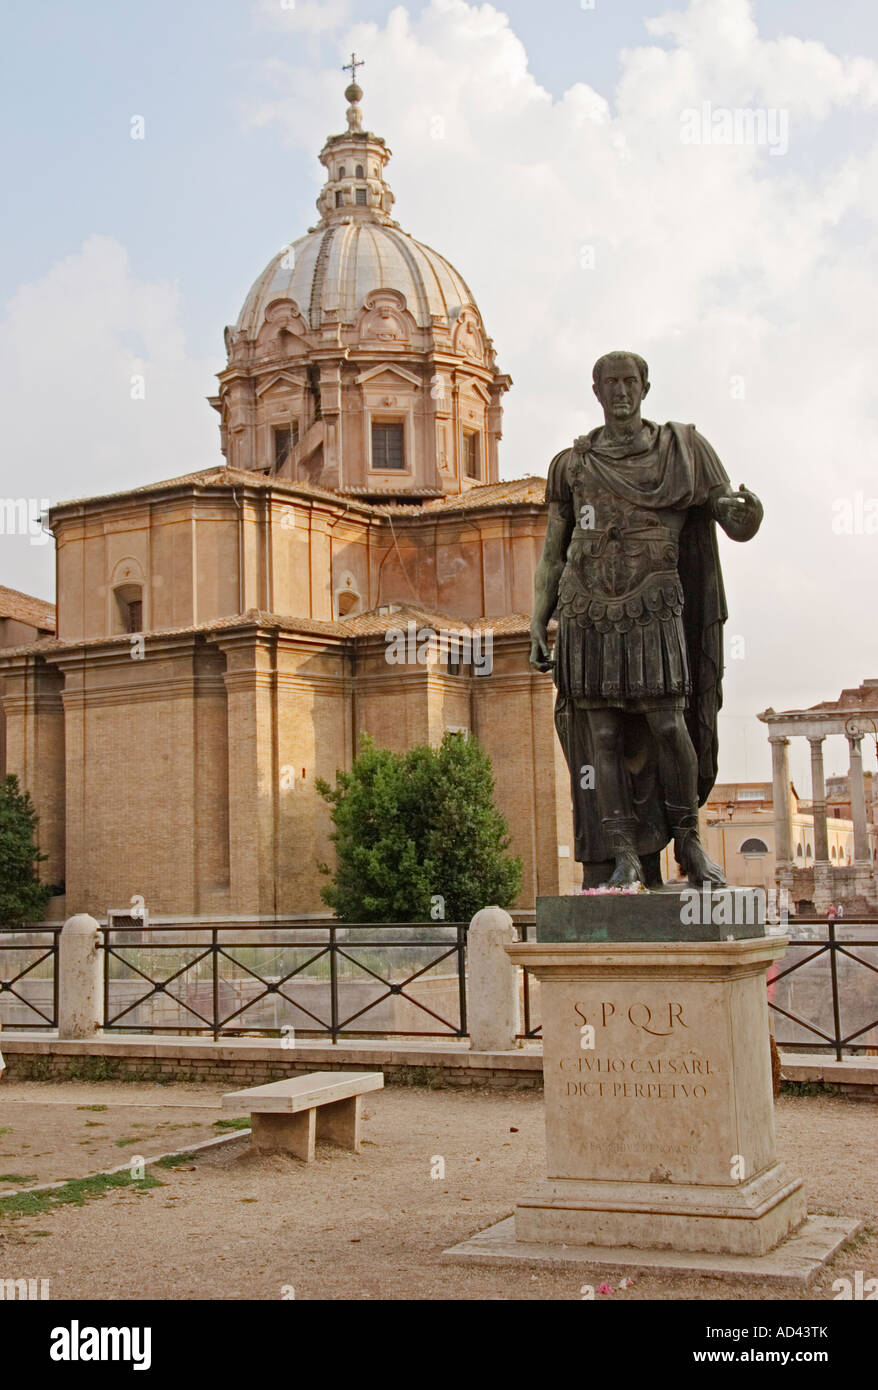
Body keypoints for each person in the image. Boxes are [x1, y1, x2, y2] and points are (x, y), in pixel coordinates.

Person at [529, 349, 763, 888]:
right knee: (602, 738)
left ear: (645, 387)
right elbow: (552, 553)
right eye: (609, 383)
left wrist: (748, 514)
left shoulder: (684, 452)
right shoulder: (573, 464)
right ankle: (623, 855)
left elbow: (732, 518)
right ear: (596, 392)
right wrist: (539, 620)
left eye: (629, 381)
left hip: (655, 606)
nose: (620, 392)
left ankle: (688, 839)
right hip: (585, 610)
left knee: (668, 725)